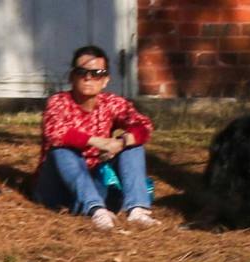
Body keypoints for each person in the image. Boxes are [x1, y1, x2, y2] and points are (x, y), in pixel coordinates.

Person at [35, 46, 159, 231]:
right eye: (81, 72)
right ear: (71, 77)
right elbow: (55, 132)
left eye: (97, 73)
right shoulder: (58, 102)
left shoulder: (112, 103)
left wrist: (122, 142)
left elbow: (144, 126)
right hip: (57, 186)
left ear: (106, 80)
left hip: (95, 180)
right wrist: (97, 141)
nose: (88, 78)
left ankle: (137, 209)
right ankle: (96, 210)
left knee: (133, 146)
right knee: (62, 150)